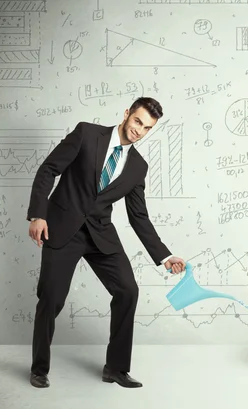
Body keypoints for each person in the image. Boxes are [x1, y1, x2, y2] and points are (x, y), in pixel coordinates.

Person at [26, 97, 185, 388]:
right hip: (62, 228)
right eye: (138, 121)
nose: (139, 131)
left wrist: (165, 256)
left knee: (128, 290)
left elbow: (139, 216)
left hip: (100, 234)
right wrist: (38, 214)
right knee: (51, 298)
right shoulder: (87, 134)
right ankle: (39, 369)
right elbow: (49, 169)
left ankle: (116, 368)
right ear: (126, 114)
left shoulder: (138, 167)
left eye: (147, 128)